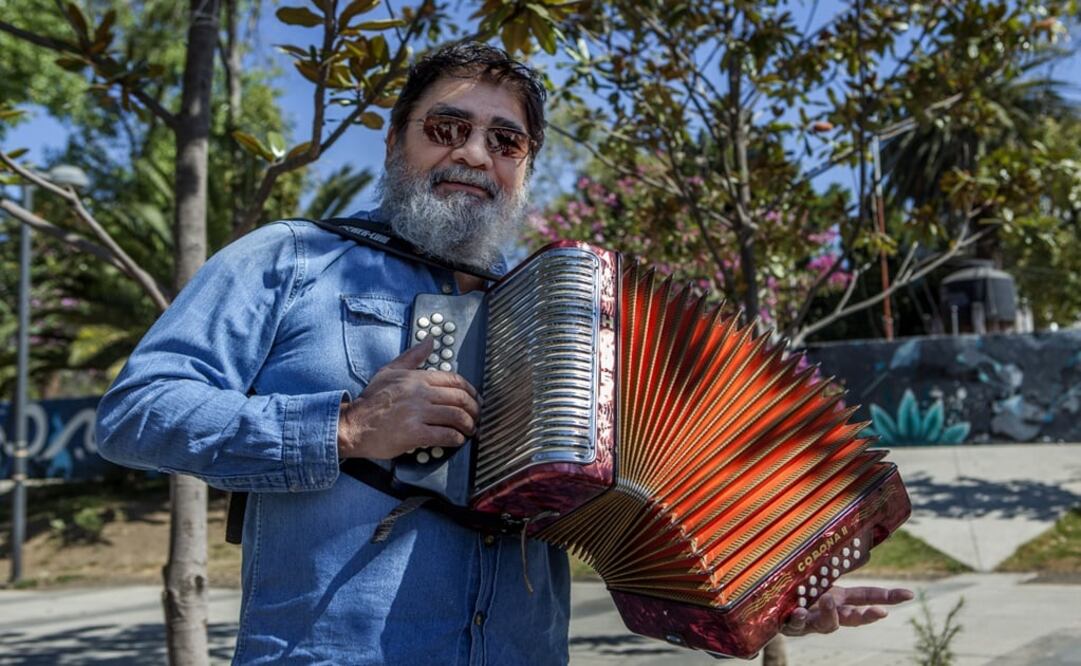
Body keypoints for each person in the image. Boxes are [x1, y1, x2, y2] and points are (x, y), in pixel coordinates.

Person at [96, 41, 912, 664]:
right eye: (447, 128)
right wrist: (345, 427)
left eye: (504, 140)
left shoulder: (566, 330)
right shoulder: (291, 258)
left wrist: (771, 588)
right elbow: (135, 414)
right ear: (396, 142)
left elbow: (653, 500)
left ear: (524, 167)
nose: (474, 153)